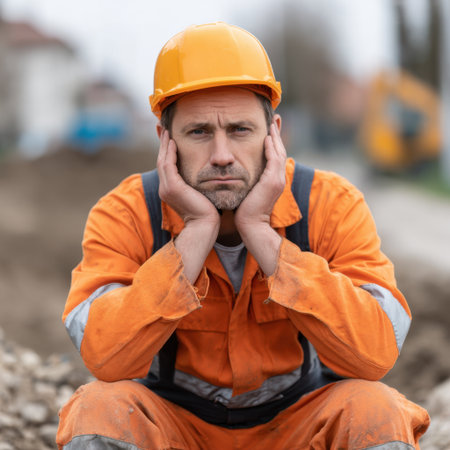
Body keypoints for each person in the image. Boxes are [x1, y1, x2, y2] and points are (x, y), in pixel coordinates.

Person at [56, 22, 429, 449]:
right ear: (165, 140)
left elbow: (373, 355)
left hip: (296, 427)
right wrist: (194, 234)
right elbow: (106, 358)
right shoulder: (127, 212)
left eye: (239, 130)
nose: (221, 156)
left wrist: (263, 235)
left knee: (374, 410)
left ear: (274, 135)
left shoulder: (329, 204)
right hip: (176, 429)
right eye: (199, 132)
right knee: (99, 409)